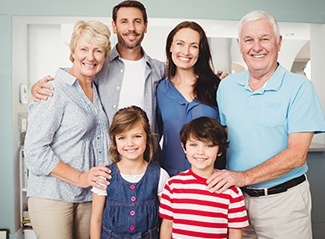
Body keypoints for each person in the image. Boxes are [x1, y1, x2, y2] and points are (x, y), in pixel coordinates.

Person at [207, 10, 325, 239]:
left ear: (279, 42)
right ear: (240, 45)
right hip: (236, 201)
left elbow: (297, 155)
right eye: (249, 40)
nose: (256, 47)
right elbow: (224, 141)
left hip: (283, 203)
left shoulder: (300, 88)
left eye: (264, 38)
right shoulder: (227, 87)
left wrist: (241, 177)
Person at [24, 20, 112, 239]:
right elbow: (35, 152)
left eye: (97, 51)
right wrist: (80, 177)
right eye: (84, 49)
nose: (90, 57)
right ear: (73, 51)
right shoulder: (53, 90)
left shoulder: (98, 89)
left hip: (87, 198)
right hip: (52, 195)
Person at [31, 0, 165, 135]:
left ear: (145, 26)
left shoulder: (160, 70)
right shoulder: (98, 65)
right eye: (124, 21)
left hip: (148, 154)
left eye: (137, 21)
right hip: (106, 154)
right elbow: (73, 80)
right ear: (114, 26)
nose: (131, 28)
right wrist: (41, 87)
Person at [159, 116, 248, 239]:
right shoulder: (172, 186)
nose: (200, 152)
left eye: (209, 146)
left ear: (220, 150)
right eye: (194, 144)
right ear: (184, 147)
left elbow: (234, 232)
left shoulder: (231, 191)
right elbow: (167, 225)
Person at [157, 21, 226, 177]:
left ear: (200, 51)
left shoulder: (217, 87)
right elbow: (154, 136)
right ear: (171, 47)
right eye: (180, 44)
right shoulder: (160, 90)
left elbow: (228, 134)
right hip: (171, 179)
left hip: (212, 179)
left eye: (193, 46)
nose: (186, 52)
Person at [90, 106, 170, 238]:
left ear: (147, 138)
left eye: (137, 136)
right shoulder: (104, 175)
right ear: (115, 141)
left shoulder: (160, 175)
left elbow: (167, 219)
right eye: (122, 138)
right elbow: (96, 219)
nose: (130, 143)